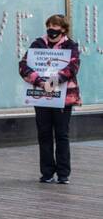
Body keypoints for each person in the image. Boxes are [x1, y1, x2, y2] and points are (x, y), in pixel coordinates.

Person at [20, 13, 81, 185]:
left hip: (63, 98)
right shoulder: (37, 44)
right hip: (41, 98)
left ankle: (63, 174)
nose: (52, 30)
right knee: (44, 134)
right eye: (49, 26)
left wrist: (53, 82)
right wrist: (40, 82)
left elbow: (73, 66)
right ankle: (46, 173)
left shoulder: (71, 46)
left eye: (56, 27)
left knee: (61, 135)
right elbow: (23, 65)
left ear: (63, 29)